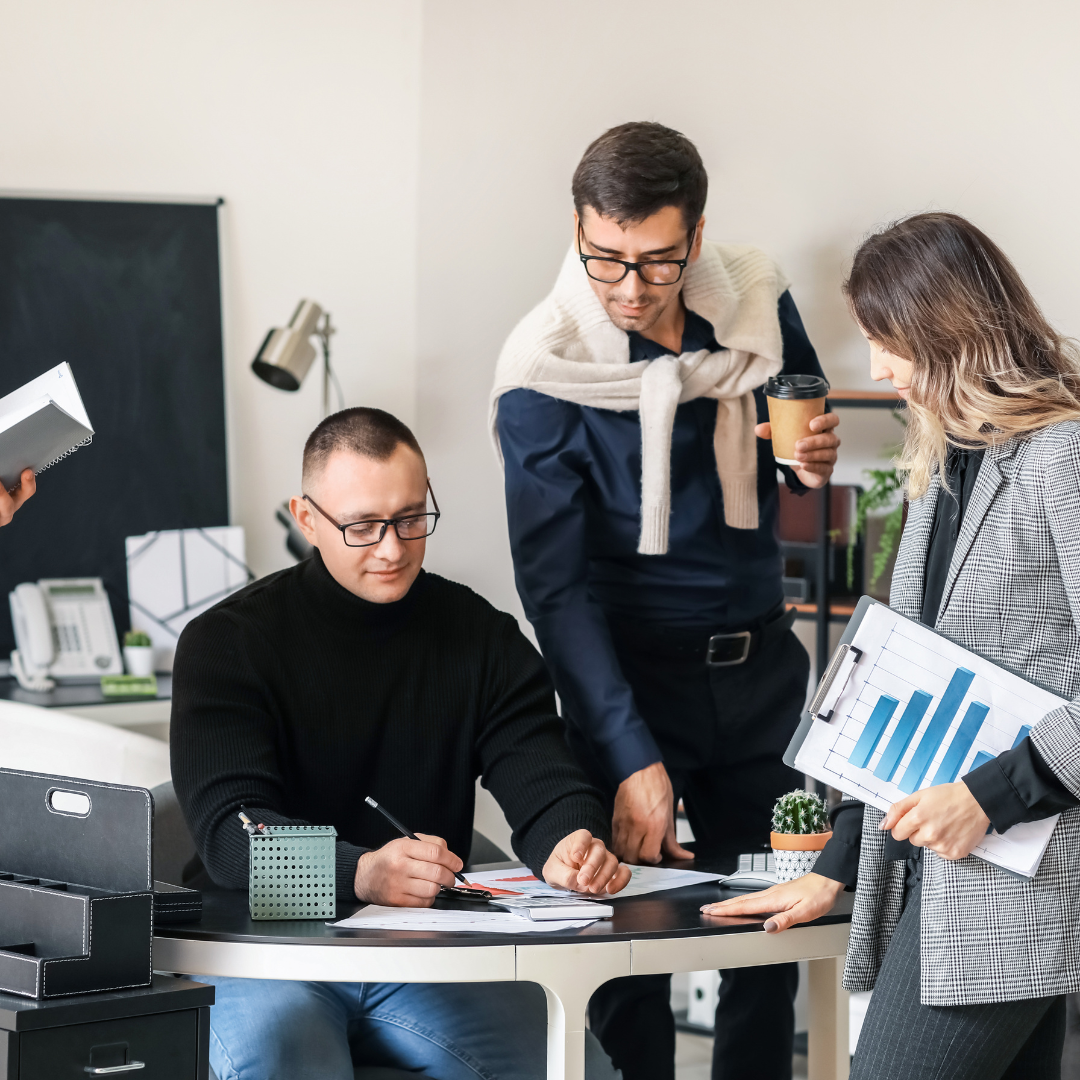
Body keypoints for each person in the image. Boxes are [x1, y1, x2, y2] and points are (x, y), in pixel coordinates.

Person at [491, 122, 840, 1080]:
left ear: (698, 234)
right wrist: (630, 756)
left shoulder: (757, 300)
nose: (632, 289)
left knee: (771, 924)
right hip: (632, 683)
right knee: (628, 945)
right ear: (576, 226)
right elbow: (553, 593)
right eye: (605, 259)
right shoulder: (543, 371)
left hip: (762, 668)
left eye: (657, 261)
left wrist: (808, 465)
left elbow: (793, 434)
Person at [705, 212, 1080, 1079]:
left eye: (889, 341)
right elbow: (905, 678)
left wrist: (991, 794)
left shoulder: (1061, 457)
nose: (877, 369)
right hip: (948, 876)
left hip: (1014, 882)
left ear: (947, 329)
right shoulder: (948, 464)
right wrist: (837, 862)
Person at [171, 407, 629, 1080]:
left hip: (420, 950)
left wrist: (570, 843)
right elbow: (231, 836)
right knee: (284, 1056)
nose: (392, 548)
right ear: (306, 519)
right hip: (259, 951)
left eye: (412, 519)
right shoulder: (227, 644)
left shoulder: (480, 637)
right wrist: (361, 872)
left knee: (576, 1066)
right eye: (362, 526)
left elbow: (541, 773)